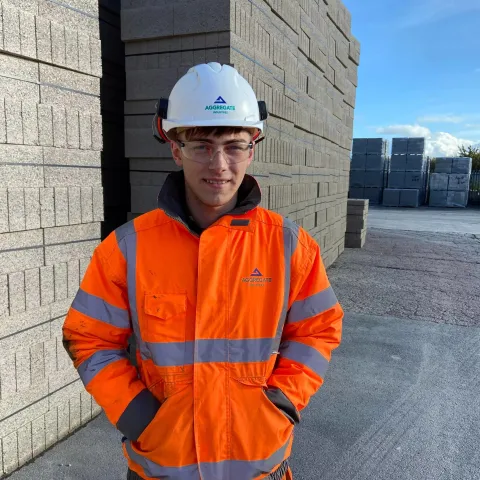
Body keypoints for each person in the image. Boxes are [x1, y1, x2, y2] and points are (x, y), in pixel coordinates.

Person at [62, 62, 343, 480]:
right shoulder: (126, 248)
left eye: (233, 145)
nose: (219, 165)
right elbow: (88, 338)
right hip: (163, 465)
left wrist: (283, 400)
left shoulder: (289, 246)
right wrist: (137, 415)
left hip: (259, 463)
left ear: (253, 146)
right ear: (175, 148)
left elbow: (317, 330)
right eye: (201, 146)